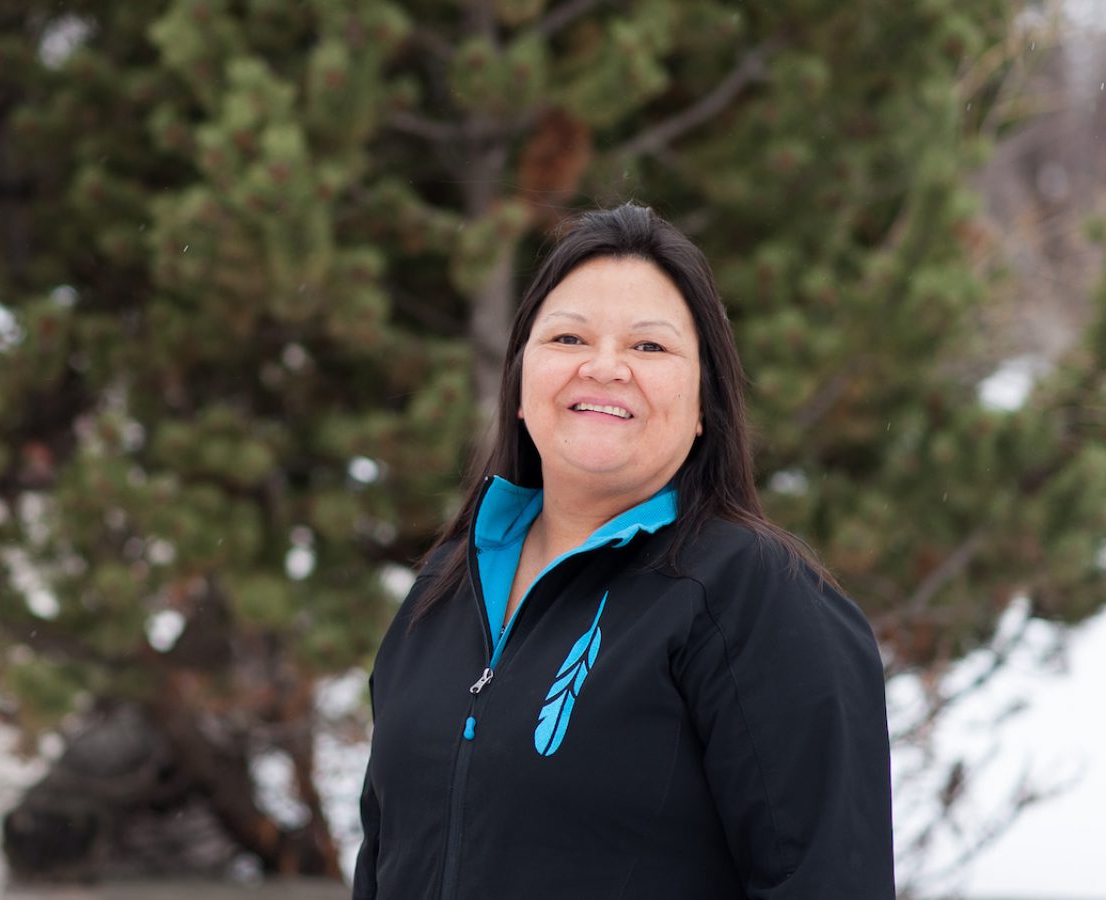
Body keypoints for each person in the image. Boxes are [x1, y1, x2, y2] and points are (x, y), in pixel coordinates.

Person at [352, 203, 895, 899]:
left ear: (704, 405)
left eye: (649, 347)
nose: (604, 368)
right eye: (569, 338)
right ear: (520, 386)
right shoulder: (443, 589)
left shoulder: (756, 596)